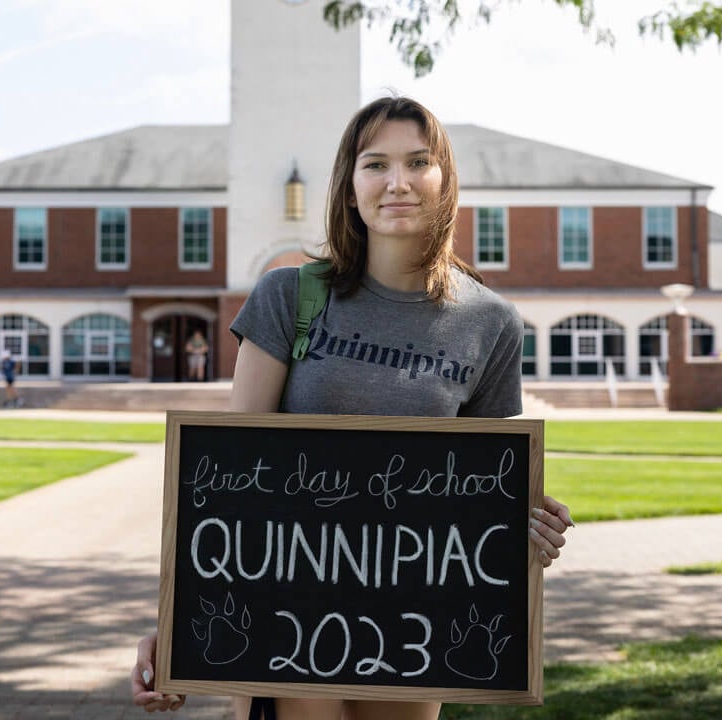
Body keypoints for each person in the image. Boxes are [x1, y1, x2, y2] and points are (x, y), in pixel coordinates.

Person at [130, 95, 574, 720]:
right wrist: (174, 624)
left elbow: (488, 496)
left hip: (414, 622)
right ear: (349, 186)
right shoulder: (289, 296)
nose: (398, 182)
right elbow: (221, 485)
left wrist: (528, 528)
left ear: (445, 180)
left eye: (419, 162)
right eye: (376, 165)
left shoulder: (490, 323)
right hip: (282, 610)